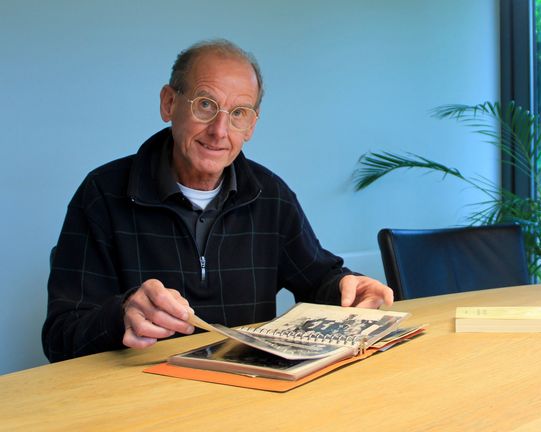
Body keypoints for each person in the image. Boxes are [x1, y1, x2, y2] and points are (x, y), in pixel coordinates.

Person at [42, 39, 393, 362]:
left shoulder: (269, 194)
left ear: (251, 126)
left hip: (251, 390)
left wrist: (350, 288)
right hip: (144, 401)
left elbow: (319, 279)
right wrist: (121, 315)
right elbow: (59, 339)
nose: (219, 131)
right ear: (169, 103)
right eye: (206, 105)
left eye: (239, 113)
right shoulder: (103, 193)